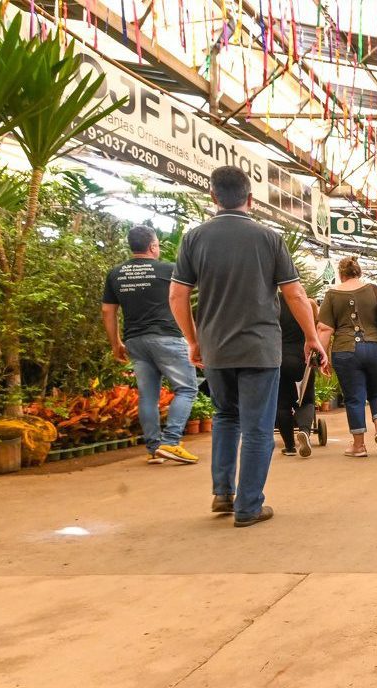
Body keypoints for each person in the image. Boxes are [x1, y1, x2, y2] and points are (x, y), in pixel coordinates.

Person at [169, 166, 326, 528]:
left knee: (226, 416)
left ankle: (223, 493)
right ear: (250, 199)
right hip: (258, 348)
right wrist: (311, 336)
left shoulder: (194, 238)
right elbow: (295, 293)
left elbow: (177, 294)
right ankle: (249, 506)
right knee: (257, 427)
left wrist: (193, 339)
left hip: (215, 348)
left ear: (213, 197)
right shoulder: (269, 239)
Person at [101, 225, 199, 465]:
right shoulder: (168, 270)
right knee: (186, 389)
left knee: (148, 396)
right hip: (167, 337)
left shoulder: (116, 274)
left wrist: (116, 344)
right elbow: (182, 297)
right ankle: (171, 442)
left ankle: (154, 448)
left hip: (135, 340)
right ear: (153, 246)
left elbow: (108, 311)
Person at [317, 256, 377, 457]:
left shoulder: (332, 294)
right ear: (358, 272)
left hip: (345, 351)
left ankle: (359, 445)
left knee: (354, 398)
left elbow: (324, 329)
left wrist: (321, 357)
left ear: (341, 274)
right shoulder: (374, 290)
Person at [276, 292, 319, 457]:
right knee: (306, 400)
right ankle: (304, 431)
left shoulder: (271, 303)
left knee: (281, 404)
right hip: (302, 357)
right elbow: (315, 329)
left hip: (276, 358)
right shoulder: (309, 303)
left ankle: (289, 446)